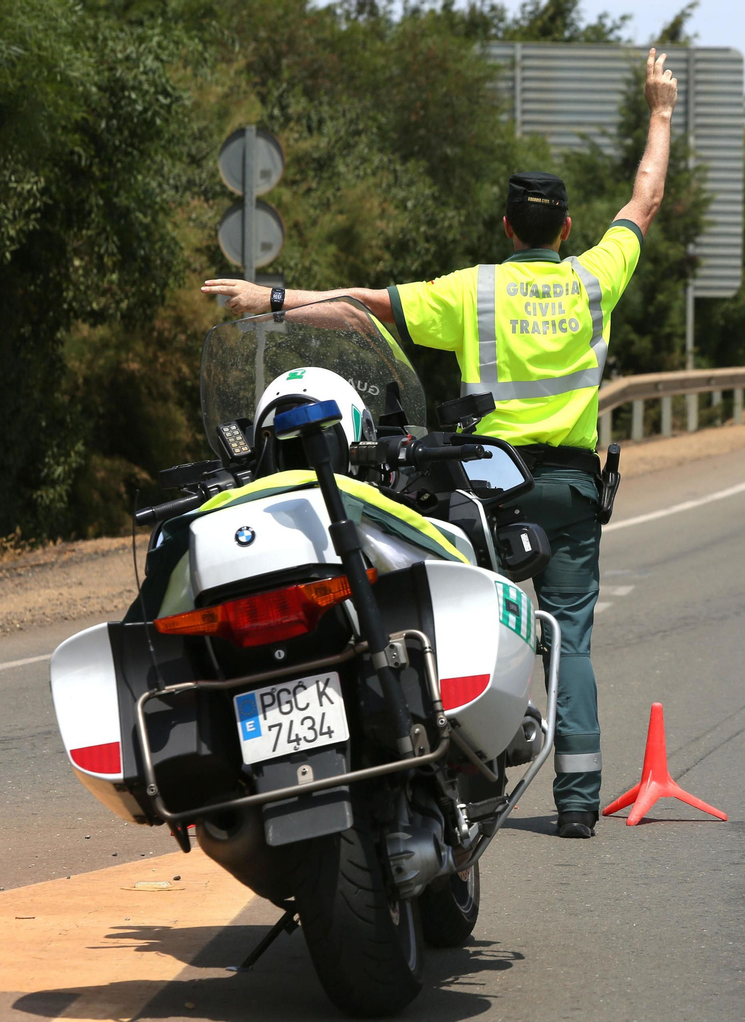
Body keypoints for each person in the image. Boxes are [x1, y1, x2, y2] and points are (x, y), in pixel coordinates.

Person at [203, 48, 681, 840]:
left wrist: (273, 299)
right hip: (569, 488)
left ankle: (467, 782)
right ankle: (577, 802)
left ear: (507, 227)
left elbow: (360, 310)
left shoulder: (472, 289)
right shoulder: (596, 277)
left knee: (470, 622)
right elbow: (647, 196)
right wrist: (660, 108)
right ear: (566, 229)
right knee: (571, 637)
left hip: (487, 490)